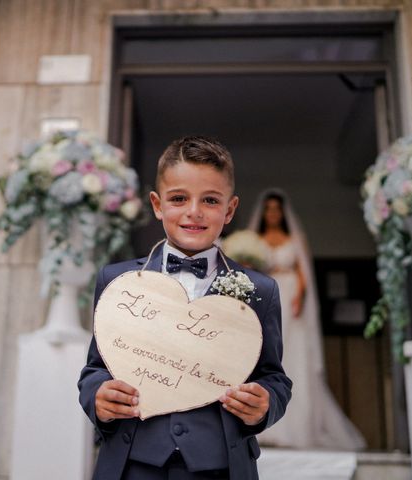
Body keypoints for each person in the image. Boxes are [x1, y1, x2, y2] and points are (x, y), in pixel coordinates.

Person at [78, 136, 292, 479]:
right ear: (157, 204)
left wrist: (265, 402)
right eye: (179, 199)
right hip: (132, 461)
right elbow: (96, 367)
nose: (194, 211)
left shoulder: (260, 291)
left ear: (230, 209)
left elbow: (274, 377)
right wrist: (97, 394)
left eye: (210, 200)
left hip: (219, 465)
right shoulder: (117, 280)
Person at [248, 189, 366, 450]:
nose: (273, 214)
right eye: (269, 209)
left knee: (292, 357)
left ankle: (295, 429)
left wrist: (299, 296)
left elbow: (303, 273)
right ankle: (263, 427)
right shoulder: (255, 239)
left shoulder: (295, 238)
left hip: (290, 297)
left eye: (276, 209)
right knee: (264, 354)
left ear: (282, 213)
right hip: (267, 294)